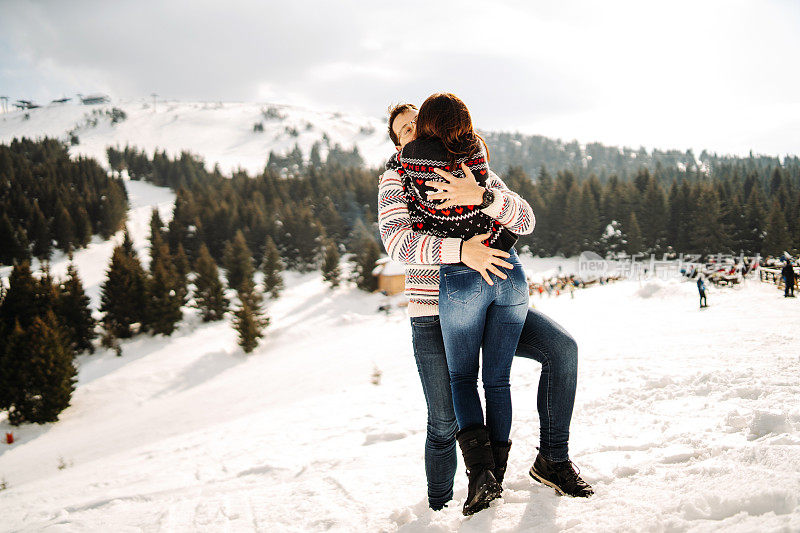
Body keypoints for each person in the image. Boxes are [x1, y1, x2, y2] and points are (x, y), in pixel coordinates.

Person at [379, 102, 593, 514]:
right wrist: (463, 251)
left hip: (496, 300)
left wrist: (480, 195)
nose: (410, 132)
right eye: (402, 130)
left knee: (561, 350)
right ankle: (436, 507)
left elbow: (525, 218)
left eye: (415, 124)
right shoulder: (396, 178)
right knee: (443, 423)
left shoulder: (469, 167)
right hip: (434, 312)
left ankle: (553, 459)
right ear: (397, 140)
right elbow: (398, 243)